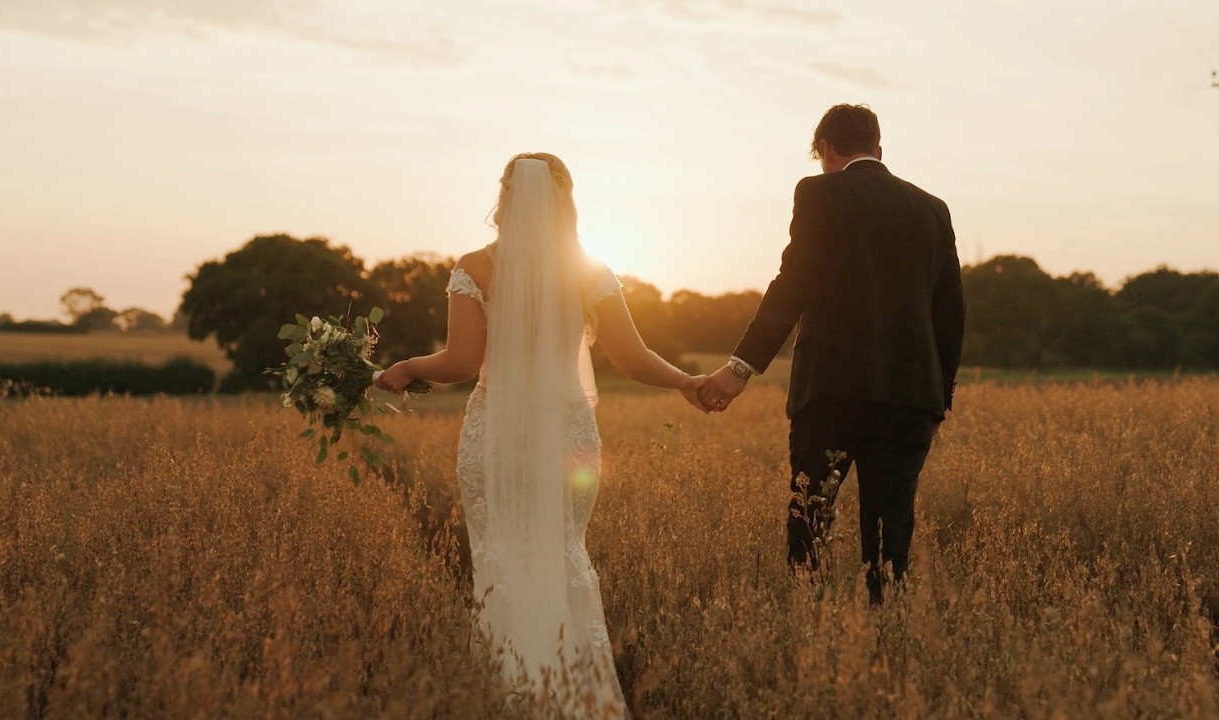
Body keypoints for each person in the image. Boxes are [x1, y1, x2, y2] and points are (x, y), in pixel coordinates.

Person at [376, 153, 707, 714]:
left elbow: (460, 362)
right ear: (565, 199)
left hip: (497, 435)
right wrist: (688, 381)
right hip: (568, 434)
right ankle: (575, 698)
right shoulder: (589, 271)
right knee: (562, 555)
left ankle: (512, 698)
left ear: (505, 197)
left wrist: (405, 367)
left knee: (501, 560)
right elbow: (633, 358)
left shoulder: (476, 266)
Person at [698, 104, 965, 604]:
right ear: (879, 150)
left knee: (810, 522)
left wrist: (740, 368)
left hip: (830, 394)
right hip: (910, 400)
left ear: (824, 149)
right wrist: (938, 398)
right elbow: (950, 312)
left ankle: (813, 632)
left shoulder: (817, 192)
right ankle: (887, 643)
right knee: (890, 538)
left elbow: (792, 284)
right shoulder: (933, 208)